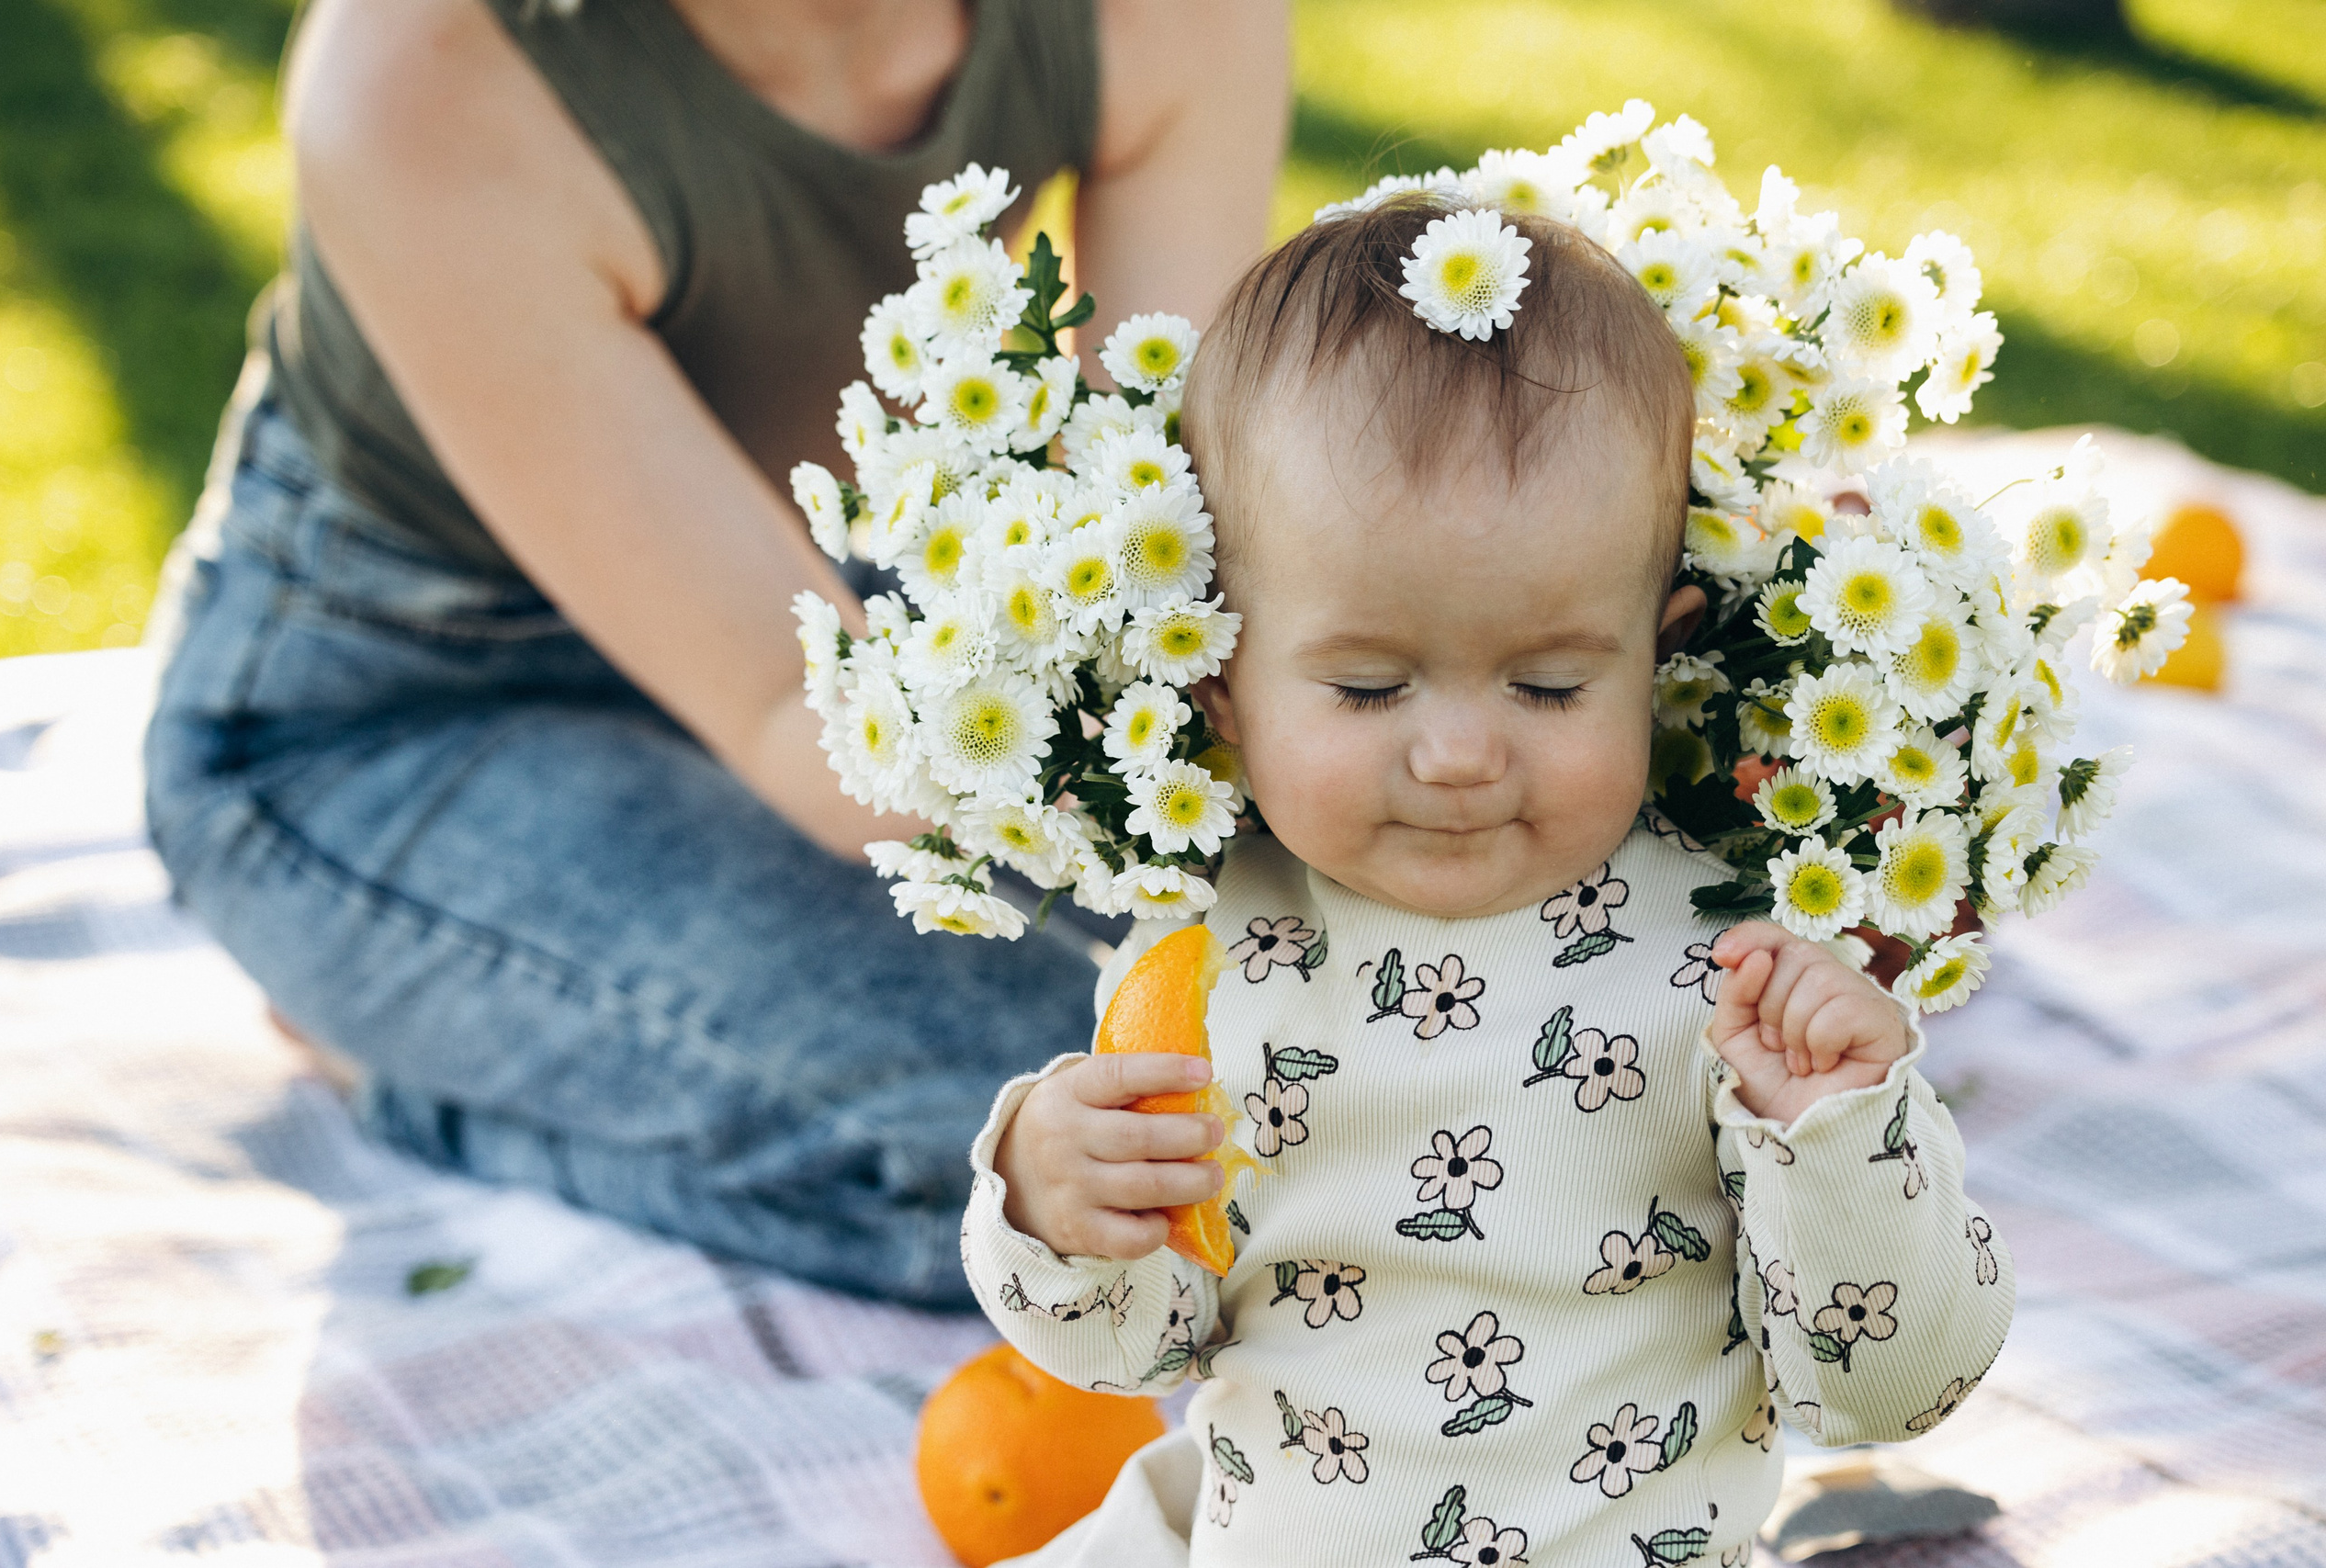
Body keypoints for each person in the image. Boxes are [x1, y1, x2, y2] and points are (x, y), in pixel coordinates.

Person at [141, 0, 1288, 1306]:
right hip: (390, 720)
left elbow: (1170, 516)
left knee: (1335, 1026)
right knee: (1100, 1138)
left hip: (830, 602)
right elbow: (789, 718)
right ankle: (422, 1085)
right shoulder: (423, 77)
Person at [959, 201, 2015, 1563]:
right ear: (1224, 686)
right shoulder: (1203, 971)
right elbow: (1134, 1347)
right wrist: (1055, 1211)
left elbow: (1886, 1384)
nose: (1459, 753)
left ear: (1659, 651)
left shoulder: (1728, 973)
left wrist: (1840, 1134)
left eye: (1550, 683)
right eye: (1367, 685)